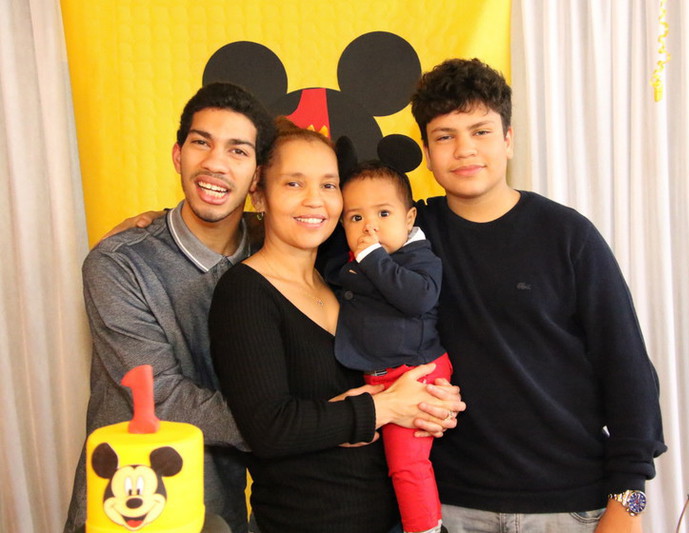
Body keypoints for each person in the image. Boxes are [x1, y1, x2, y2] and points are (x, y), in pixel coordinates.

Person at [407, 58, 667, 533]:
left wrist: (629, 507)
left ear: (508, 139)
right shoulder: (409, 237)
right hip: (449, 507)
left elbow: (628, 372)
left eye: (481, 131)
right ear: (427, 152)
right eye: (445, 136)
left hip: (570, 507)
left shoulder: (568, 236)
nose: (465, 150)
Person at [208, 119, 465, 533]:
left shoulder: (343, 281)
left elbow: (395, 370)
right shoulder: (245, 292)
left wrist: (430, 398)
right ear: (259, 194)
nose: (315, 200)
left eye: (328, 185)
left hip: (391, 518)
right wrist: (382, 408)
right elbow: (270, 429)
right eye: (294, 183)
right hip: (308, 521)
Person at [64, 82, 277, 533]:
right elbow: (163, 398)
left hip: (220, 511)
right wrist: (299, 424)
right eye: (202, 143)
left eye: (238, 151)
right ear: (178, 155)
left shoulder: (272, 256)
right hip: (125, 515)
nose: (215, 163)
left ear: (258, 176)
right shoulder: (119, 263)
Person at [331, 160, 452, 533]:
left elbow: (417, 299)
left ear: (409, 217)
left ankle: (425, 527)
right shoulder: (351, 259)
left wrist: (372, 258)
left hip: (416, 372)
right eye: (355, 218)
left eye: (383, 214)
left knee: (407, 464)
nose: (370, 227)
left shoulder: (419, 258)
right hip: (380, 376)